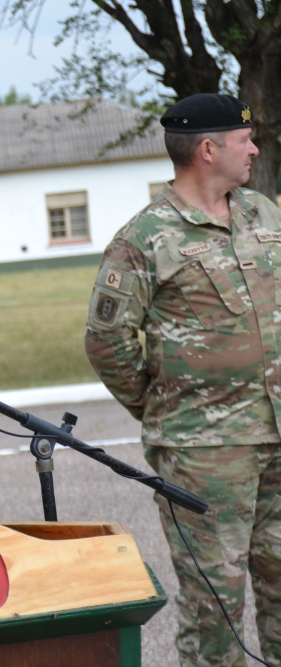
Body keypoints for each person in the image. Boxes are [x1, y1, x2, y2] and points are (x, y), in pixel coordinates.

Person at [84, 93, 281, 667]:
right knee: (215, 610)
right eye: (245, 140)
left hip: (277, 439)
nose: (255, 149)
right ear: (208, 149)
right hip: (203, 452)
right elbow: (107, 343)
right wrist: (166, 411)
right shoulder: (144, 238)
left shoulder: (263, 214)